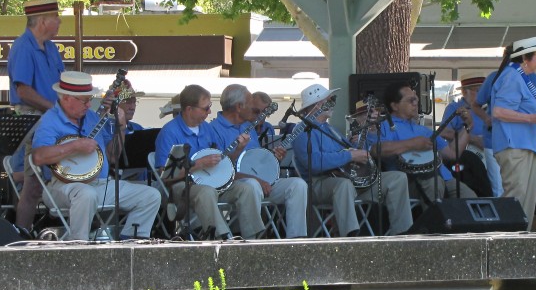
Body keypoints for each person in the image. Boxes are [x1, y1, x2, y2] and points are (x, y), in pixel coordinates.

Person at [31, 71, 161, 240]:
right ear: (67, 98)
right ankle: (79, 246)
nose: (88, 105)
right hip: (61, 187)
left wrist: (120, 127)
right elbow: (39, 157)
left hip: (99, 184)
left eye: (90, 99)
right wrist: (75, 146)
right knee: (86, 194)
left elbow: (113, 156)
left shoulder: (92, 118)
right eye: (84, 100)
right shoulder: (50, 121)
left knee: (150, 195)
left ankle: (131, 244)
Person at [292, 85, 413, 236]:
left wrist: (370, 132)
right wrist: (350, 156)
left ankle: (403, 234)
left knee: (397, 178)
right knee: (344, 185)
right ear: (317, 105)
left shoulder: (331, 130)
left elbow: (359, 150)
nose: (333, 103)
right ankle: (350, 238)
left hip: (350, 181)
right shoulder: (302, 131)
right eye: (330, 100)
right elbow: (315, 163)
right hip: (319, 183)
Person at [153, 84, 263, 240]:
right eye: (205, 108)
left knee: (247, 188)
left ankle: (253, 240)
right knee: (206, 191)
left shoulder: (206, 128)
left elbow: (221, 161)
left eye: (209, 106)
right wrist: (197, 164)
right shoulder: (169, 132)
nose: (210, 112)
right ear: (189, 109)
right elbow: (165, 176)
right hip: (182, 187)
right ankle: (223, 240)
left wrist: (238, 150)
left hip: (213, 182)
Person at [212, 85, 308, 238]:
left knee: (297, 185)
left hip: (261, 182)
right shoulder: (213, 129)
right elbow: (220, 171)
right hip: (237, 185)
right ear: (239, 107)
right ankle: (253, 243)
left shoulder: (247, 126)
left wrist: (271, 158)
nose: (255, 108)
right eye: (251, 103)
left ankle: (296, 241)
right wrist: (257, 179)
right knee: (252, 185)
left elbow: (253, 162)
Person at [7, 0, 66, 235]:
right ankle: (22, 233)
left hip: (52, 116)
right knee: (33, 183)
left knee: (42, 180)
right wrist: (54, 108)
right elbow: (23, 91)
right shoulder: (22, 47)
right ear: (42, 21)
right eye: (56, 17)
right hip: (32, 118)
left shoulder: (51, 48)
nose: (60, 21)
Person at [371, 81, 476, 207]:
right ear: (394, 106)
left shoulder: (423, 130)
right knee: (433, 185)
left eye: (416, 100)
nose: (416, 104)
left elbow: (452, 153)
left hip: (444, 178)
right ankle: (433, 226)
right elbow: (377, 150)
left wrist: (468, 127)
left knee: (471, 200)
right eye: (411, 101)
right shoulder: (385, 126)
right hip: (412, 182)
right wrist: (413, 144)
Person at [486, 37, 536, 222]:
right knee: (516, 196)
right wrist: (532, 118)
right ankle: (506, 242)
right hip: (514, 145)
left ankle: (522, 242)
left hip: (527, 144)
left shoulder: (522, 77)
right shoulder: (511, 76)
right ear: (525, 59)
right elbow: (498, 111)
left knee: (527, 202)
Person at [441, 72, 494, 197]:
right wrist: (472, 139)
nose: (483, 95)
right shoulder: (454, 107)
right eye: (478, 91)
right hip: (469, 154)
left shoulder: (489, 108)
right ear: (465, 92)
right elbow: (444, 131)